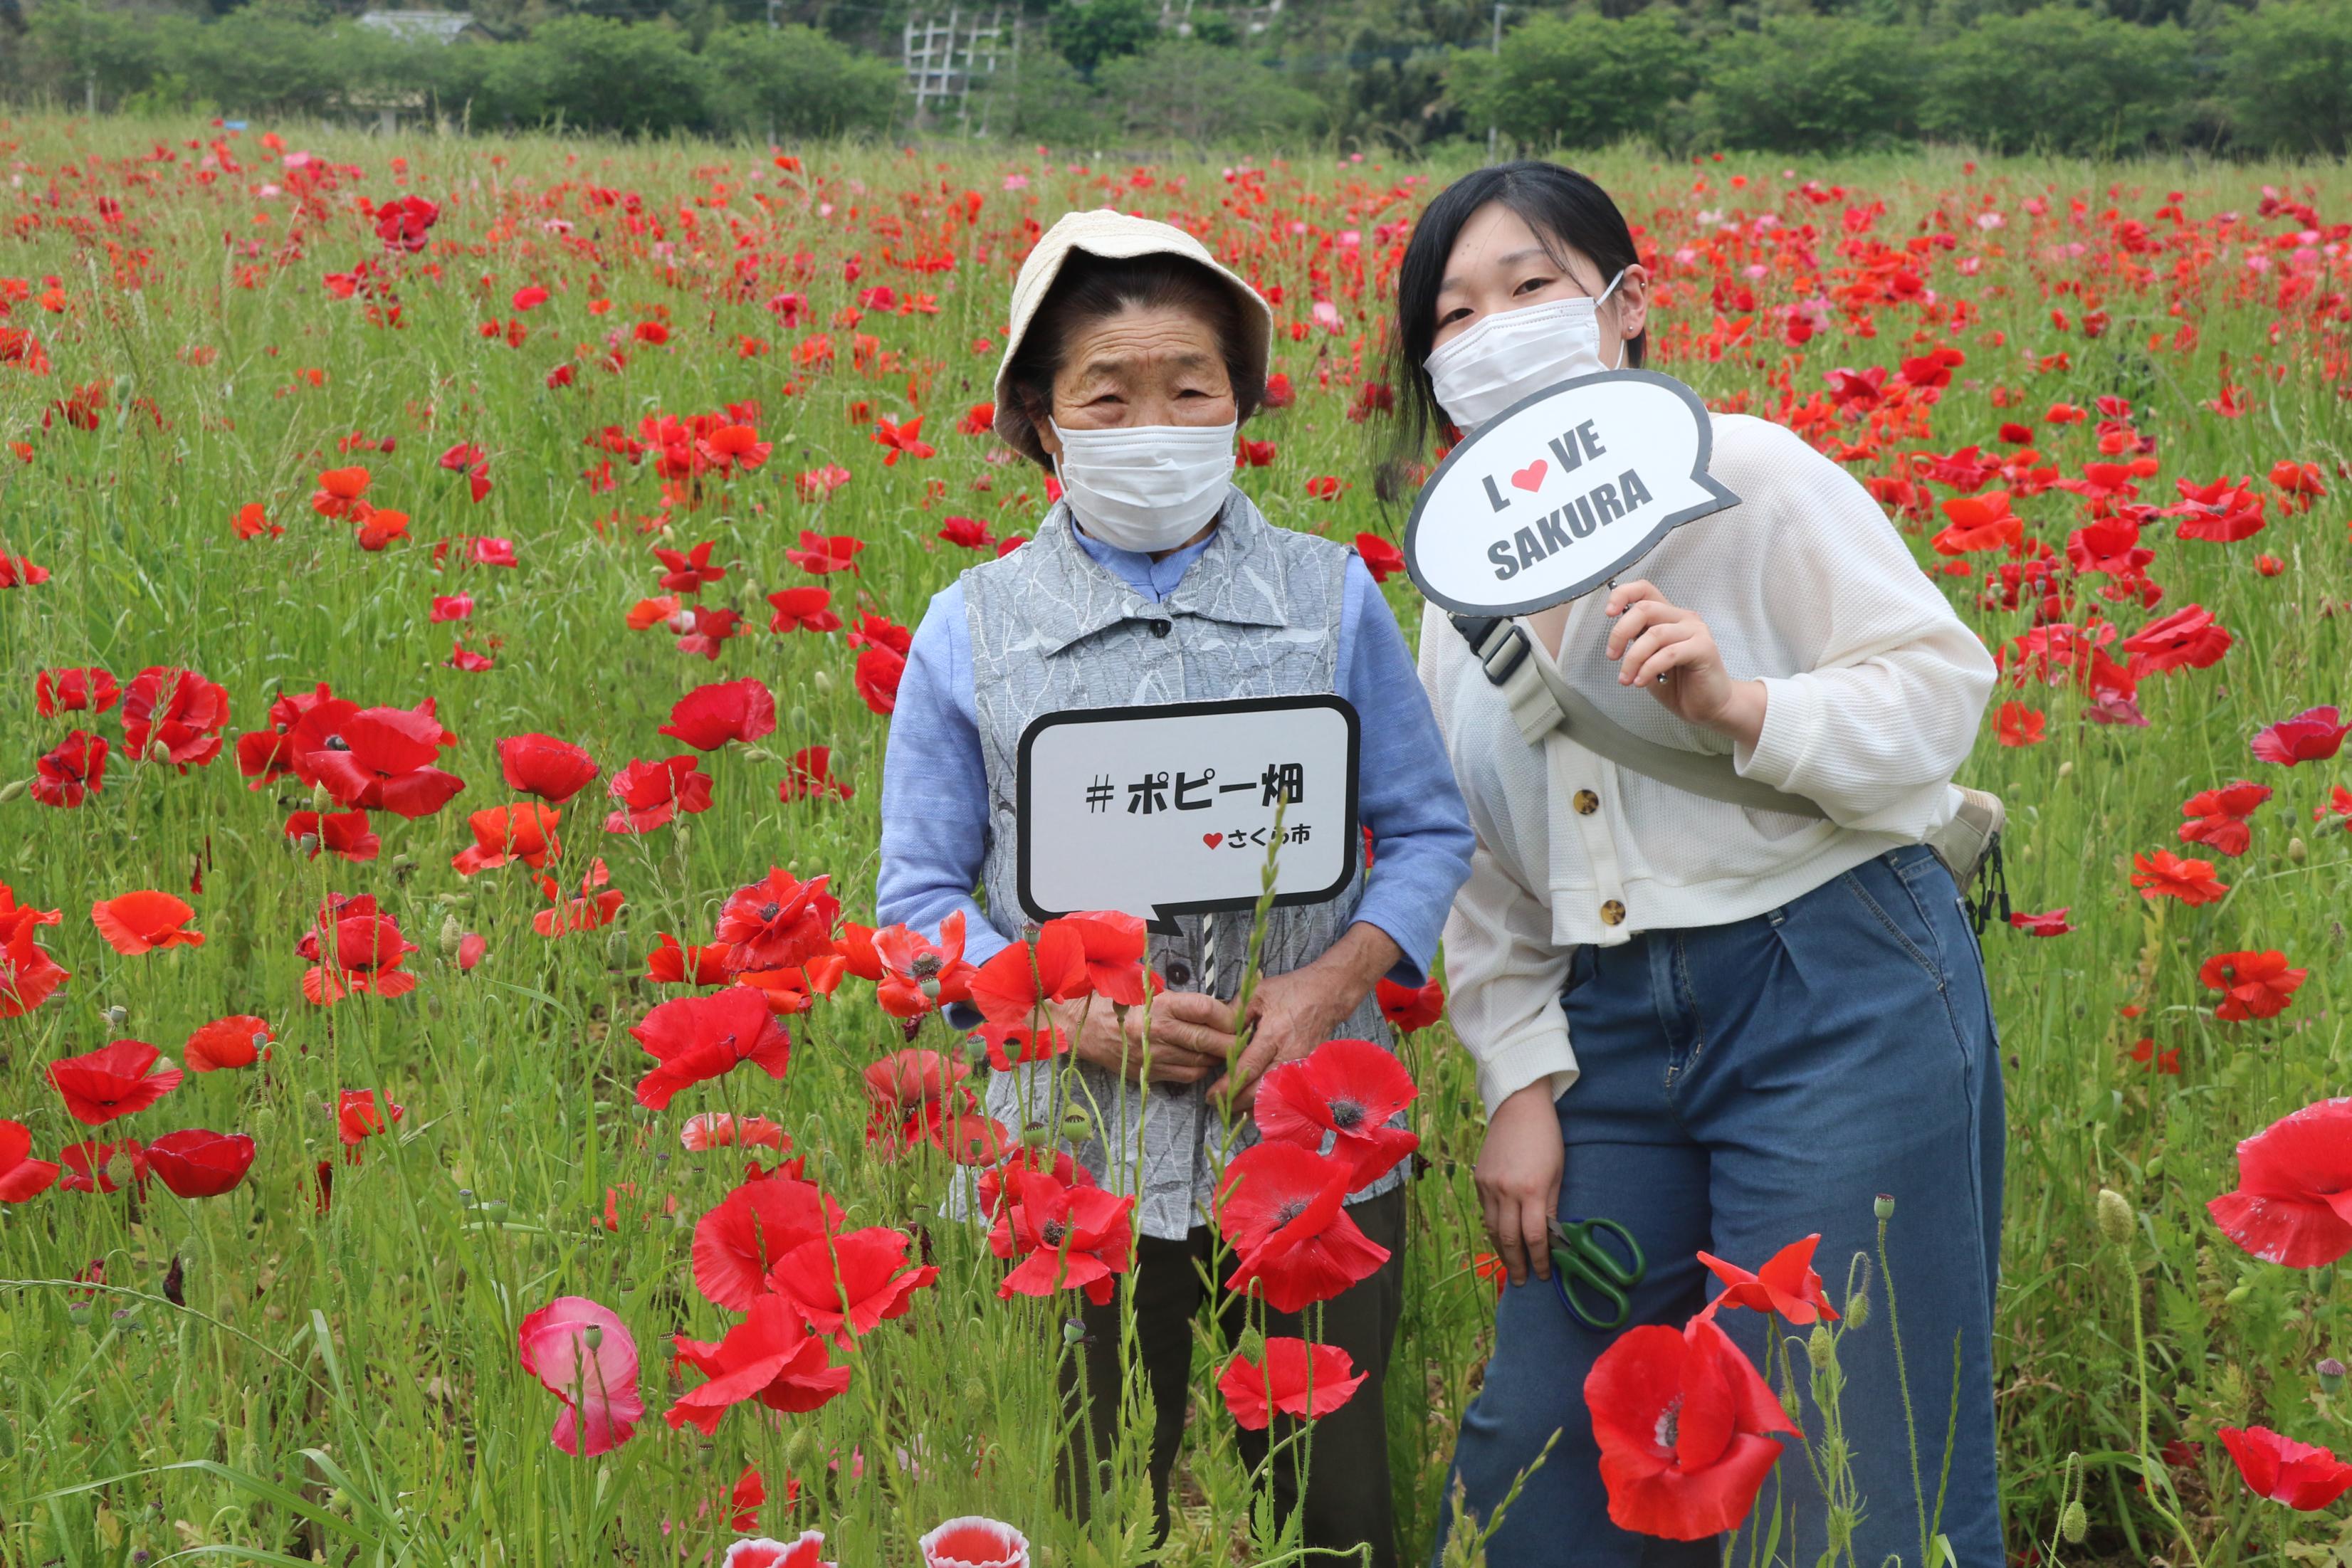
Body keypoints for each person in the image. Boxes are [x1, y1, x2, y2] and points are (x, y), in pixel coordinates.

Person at [1392, 162, 2005, 1567]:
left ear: (1624, 307)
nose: (1494, 327)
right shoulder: (1460, 587)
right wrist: (1517, 1084)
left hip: (1832, 986)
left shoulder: (1754, 473)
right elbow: (1486, 868)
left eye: (1530, 287)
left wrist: (1745, 709)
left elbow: (1936, 691)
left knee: (1843, 1456)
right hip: (1605, 1034)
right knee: (1536, 1459)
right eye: (1454, 311)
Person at [876, 208, 1474, 1568]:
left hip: (1310, 1137)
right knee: (1081, 1505)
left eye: (1190, 387)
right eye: (1108, 393)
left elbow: (1430, 834)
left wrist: (1326, 990)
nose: (1155, 421)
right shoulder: (972, 626)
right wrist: (1072, 1020)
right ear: (1040, 420)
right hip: (1065, 1145)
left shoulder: (1329, 599)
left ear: (1242, 403)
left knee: (1334, 1512)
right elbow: (915, 899)